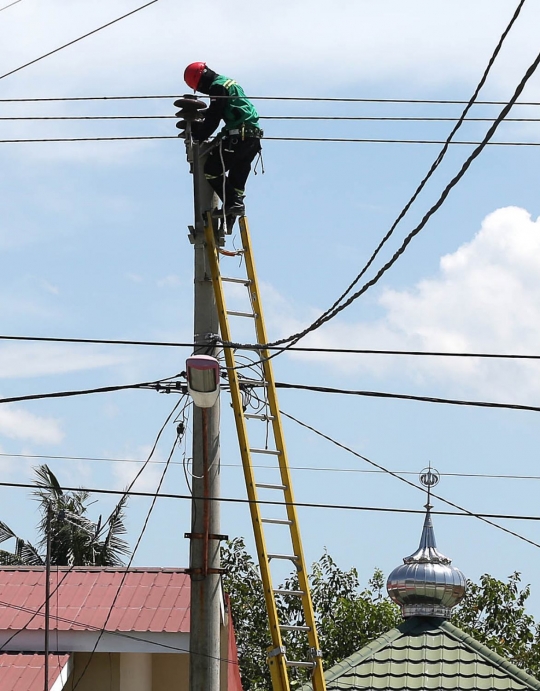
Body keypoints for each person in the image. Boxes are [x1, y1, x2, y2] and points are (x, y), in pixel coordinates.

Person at [184, 62, 263, 217]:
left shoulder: (217, 87)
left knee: (212, 170)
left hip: (238, 137)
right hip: (252, 139)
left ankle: (234, 204)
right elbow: (223, 109)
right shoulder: (228, 83)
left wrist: (198, 137)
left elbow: (214, 119)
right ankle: (232, 212)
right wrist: (207, 114)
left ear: (200, 80)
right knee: (235, 184)